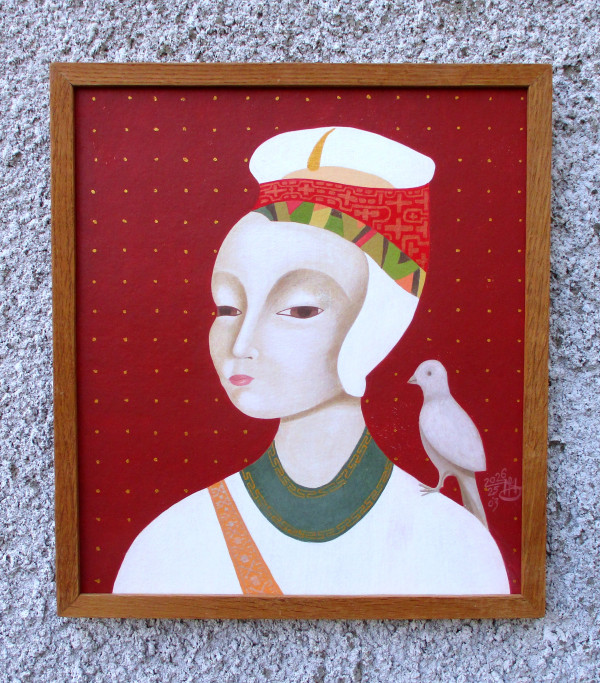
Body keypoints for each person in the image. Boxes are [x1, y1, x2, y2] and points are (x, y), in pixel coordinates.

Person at [113, 127, 509, 596]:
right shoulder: (167, 549)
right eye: (227, 308)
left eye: (298, 310)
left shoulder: (457, 548)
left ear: (375, 324)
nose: (241, 343)